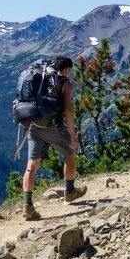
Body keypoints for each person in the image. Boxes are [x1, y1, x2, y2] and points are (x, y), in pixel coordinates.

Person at [23, 56, 86, 220]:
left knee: (32, 164)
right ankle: (70, 192)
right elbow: (69, 111)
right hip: (52, 126)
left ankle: (27, 205)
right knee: (70, 154)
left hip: (34, 125)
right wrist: (72, 136)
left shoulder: (41, 80)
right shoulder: (65, 83)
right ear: (67, 69)